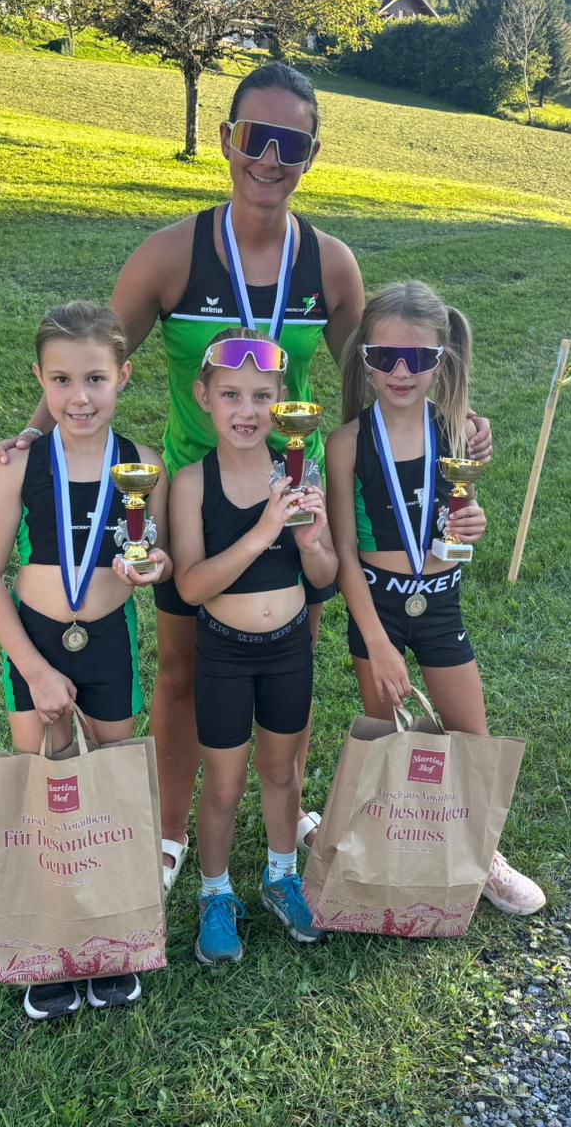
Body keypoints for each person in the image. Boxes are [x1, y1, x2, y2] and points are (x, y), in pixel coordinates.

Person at [0, 61, 494, 892]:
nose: (271, 159)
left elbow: (377, 386)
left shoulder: (331, 266)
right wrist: (29, 436)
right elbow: (97, 357)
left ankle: (289, 821)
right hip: (191, 498)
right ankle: (172, 832)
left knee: (292, 657)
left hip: (292, 503)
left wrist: (452, 428)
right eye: (257, 137)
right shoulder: (169, 255)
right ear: (227, 139)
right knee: (183, 671)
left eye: (292, 143)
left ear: (312, 155)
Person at [0, 302, 171, 1020]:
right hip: (37, 645)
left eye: (95, 379)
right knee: (44, 792)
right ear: (39, 379)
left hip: (109, 641)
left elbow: (158, 551)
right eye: (61, 380)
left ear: (124, 376)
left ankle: (111, 940)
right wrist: (34, 669)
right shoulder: (20, 466)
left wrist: (155, 567)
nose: (79, 397)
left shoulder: (145, 464)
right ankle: (49, 945)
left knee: (110, 790)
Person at [324, 282, 547, 917]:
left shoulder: (459, 431)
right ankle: (388, 850)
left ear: (442, 359)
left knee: (471, 736)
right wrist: (376, 643)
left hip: (441, 601)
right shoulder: (345, 443)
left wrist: (472, 523)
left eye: (418, 358)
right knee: (387, 741)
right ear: (364, 358)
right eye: (385, 357)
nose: (401, 371)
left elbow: (459, 517)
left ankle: (483, 856)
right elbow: (344, 554)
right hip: (377, 608)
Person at [168, 330, 338, 963]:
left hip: (288, 649)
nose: (247, 410)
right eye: (231, 395)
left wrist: (311, 541)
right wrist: (265, 528)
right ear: (203, 397)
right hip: (224, 653)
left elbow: (324, 575)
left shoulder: (300, 474)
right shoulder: (191, 483)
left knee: (282, 772)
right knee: (224, 784)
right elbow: (191, 586)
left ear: (282, 402)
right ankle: (215, 893)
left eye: (262, 396)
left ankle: (281, 876)